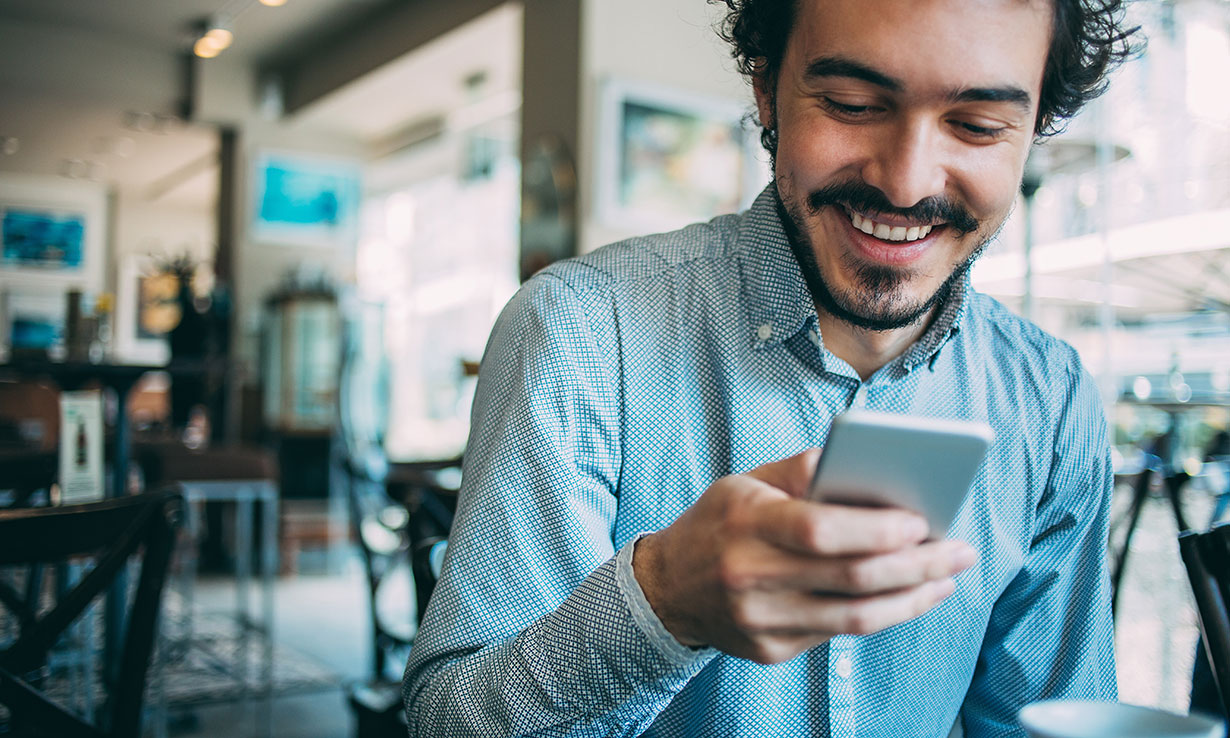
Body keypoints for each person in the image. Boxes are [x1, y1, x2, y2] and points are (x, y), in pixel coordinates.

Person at [403, 0, 1139, 735]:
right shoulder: (583, 333)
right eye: (852, 105)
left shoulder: (1050, 399)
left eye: (978, 125)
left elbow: (1045, 720)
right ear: (765, 86)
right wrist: (662, 607)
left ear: (1035, 127)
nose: (907, 182)